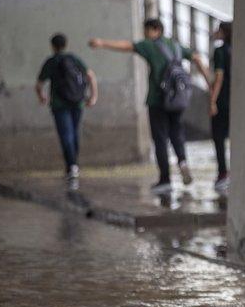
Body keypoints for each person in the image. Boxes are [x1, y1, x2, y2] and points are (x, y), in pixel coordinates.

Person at [89, 18, 212, 193]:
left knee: (160, 139)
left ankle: (165, 179)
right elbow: (198, 58)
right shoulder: (176, 46)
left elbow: (128, 46)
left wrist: (102, 43)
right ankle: (182, 162)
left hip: (158, 100)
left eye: (146, 30)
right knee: (177, 133)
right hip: (178, 99)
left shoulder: (150, 45)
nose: (145, 34)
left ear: (155, 30)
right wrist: (209, 84)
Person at [36, 33, 97, 189]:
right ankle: (73, 164)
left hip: (59, 105)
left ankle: (72, 166)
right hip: (77, 102)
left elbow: (39, 84)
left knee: (66, 134)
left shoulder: (51, 62)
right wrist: (93, 96)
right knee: (74, 132)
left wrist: (41, 97)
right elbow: (90, 75)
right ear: (66, 44)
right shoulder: (74, 59)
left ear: (52, 46)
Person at [209, 21, 232, 192]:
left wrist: (212, 100)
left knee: (218, 137)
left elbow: (219, 77)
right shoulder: (239, 50)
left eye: (219, 30)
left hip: (223, 100)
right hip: (237, 102)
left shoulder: (220, 51)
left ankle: (223, 173)